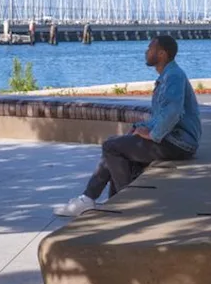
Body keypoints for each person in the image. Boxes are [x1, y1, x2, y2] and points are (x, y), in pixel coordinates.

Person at [54, 35, 201, 217]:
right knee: (116, 144)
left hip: (179, 143)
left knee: (112, 147)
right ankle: (98, 199)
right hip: (173, 138)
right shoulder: (169, 75)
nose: (146, 52)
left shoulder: (174, 76)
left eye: (150, 48)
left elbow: (172, 112)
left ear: (162, 54)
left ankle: (121, 201)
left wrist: (153, 134)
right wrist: (140, 127)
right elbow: (161, 115)